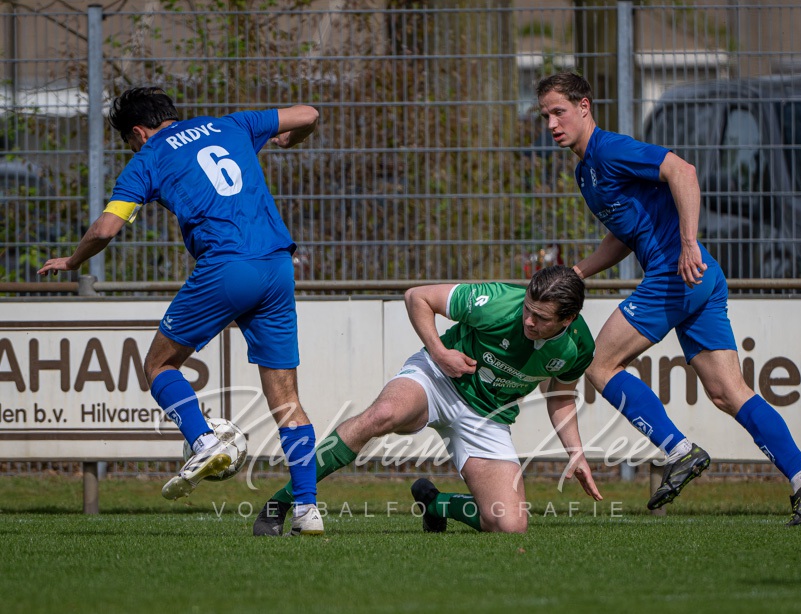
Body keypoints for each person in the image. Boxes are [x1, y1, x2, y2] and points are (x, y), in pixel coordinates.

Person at [536, 72, 801, 525]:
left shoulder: (609, 149)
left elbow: (683, 171)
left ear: (584, 107)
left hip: (677, 273)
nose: (552, 124)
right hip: (701, 276)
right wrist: (577, 273)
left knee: (599, 365)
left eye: (559, 112)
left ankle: (678, 450)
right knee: (727, 392)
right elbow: (625, 235)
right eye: (545, 116)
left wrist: (689, 243)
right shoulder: (585, 172)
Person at [38, 87, 324, 536]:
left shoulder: (149, 158)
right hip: (277, 265)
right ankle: (307, 509)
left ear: (138, 132)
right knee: (287, 400)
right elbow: (308, 113)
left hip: (228, 266)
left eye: (129, 142)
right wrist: (290, 139)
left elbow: (107, 228)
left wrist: (73, 261)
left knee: (158, 365)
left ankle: (203, 441)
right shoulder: (232, 124)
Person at [253, 265, 603, 535]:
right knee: (381, 415)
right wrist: (440, 353)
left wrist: (576, 453)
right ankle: (282, 503)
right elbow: (417, 297)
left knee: (509, 525)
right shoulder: (497, 302)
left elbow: (560, 397)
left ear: (568, 319)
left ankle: (436, 504)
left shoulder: (578, 348)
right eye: (527, 309)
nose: (528, 320)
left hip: (488, 416)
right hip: (437, 378)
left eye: (541, 318)